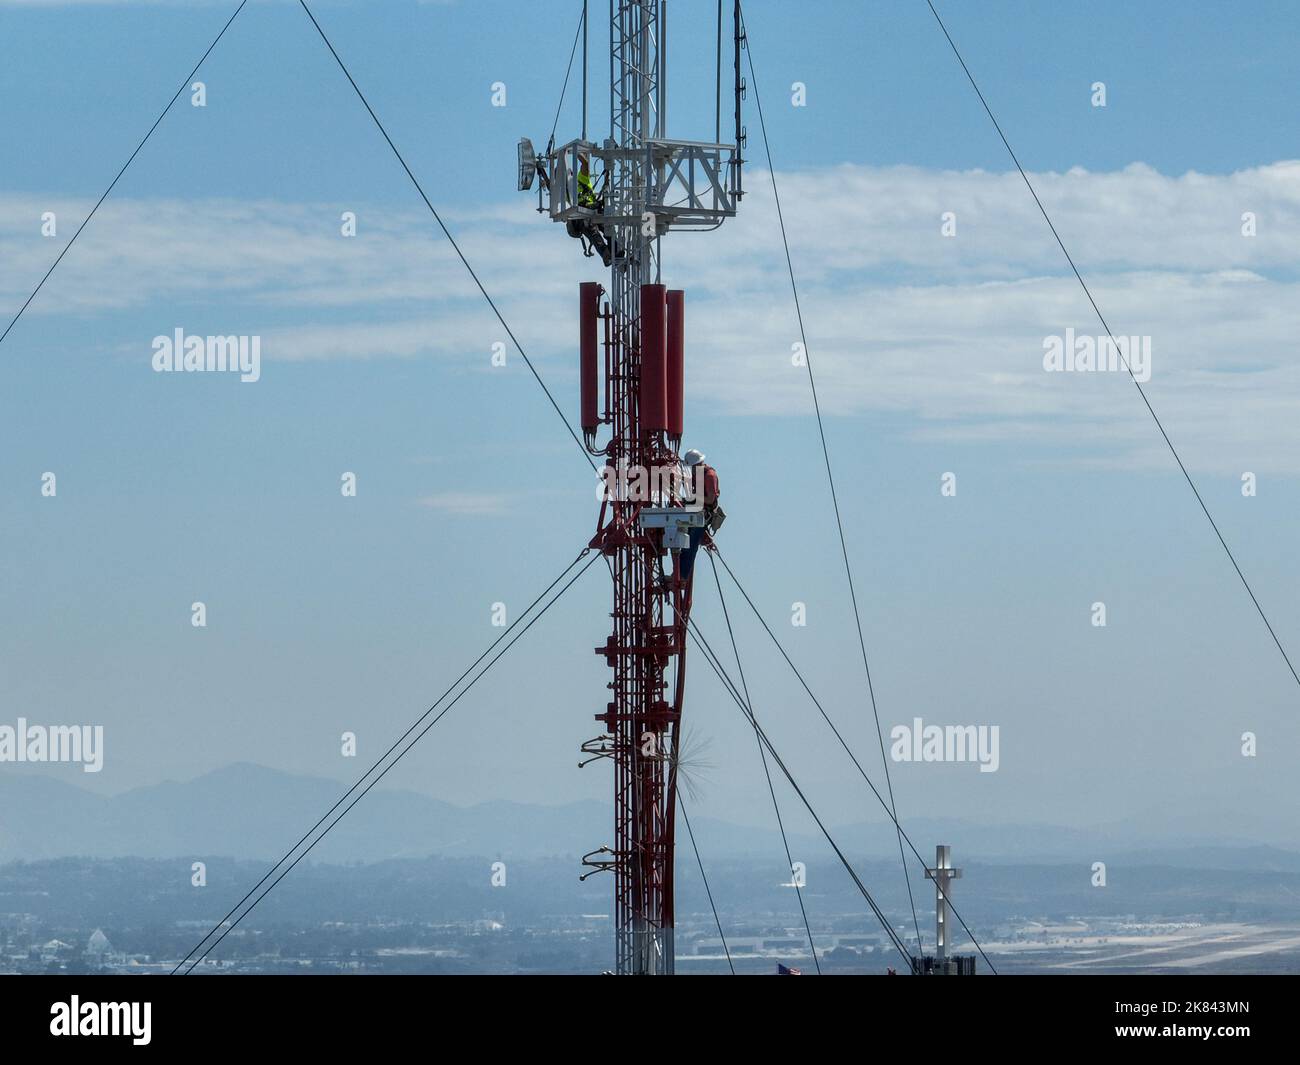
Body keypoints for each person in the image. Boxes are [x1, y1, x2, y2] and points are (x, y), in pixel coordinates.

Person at [677, 448, 720, 583]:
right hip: (696, 511)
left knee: (690, 545)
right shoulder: (697, 474)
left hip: (703, 514)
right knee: (683, 543)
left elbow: (711, 499)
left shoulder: (709, 476)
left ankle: (682, 576)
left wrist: (693, 499)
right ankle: (678, 574)